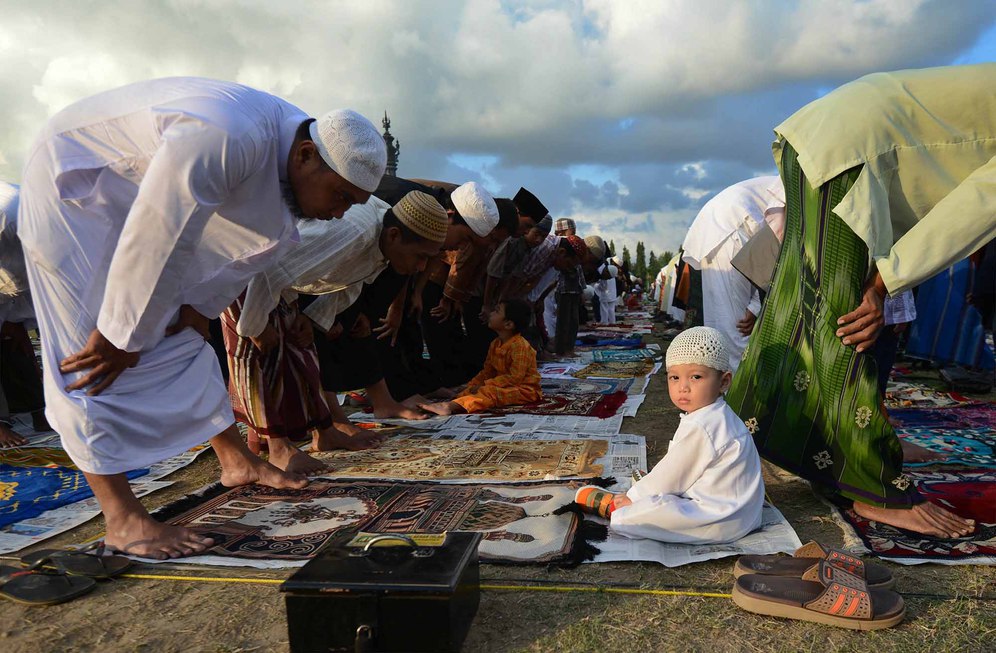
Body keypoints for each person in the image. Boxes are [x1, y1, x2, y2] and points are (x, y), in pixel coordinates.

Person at [18, 77, 387, 559]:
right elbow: (161, 228)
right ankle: (123, 519)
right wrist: (121, 335)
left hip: (141, 199)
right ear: (304, 158)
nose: (340, 215)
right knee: (86, 352)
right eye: (340, 197)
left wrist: (198, 308)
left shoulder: (296, 152)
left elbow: (255, 246)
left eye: (351, 206)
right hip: (74, 186)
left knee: (185, 335)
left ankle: (237, 461)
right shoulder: (227, 134)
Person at [728, 64, 996, 538]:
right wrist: (884, 283)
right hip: (852, 150)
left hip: (821, 135)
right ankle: (877, 491)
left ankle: (749, 443)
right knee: (845, 318)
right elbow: (971, 212)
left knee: (797, 316)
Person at [574, 327, 764, 543]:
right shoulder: (716, 414)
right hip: (744, 514)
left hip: (721, 520)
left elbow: (673, 475)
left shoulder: (704, 424)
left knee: (652, 513)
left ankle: (615, 510)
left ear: (724, 382)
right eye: (674, 377)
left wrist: (632, 498)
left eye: (696, 377)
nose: (683, 387)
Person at [681, 176, 786, 372]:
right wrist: (755, 306)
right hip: (731, 229)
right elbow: (776, 245)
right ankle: (739, 395)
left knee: (721, 327)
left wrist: (755, 305)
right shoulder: (797, 186)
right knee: (735, 331)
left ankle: (724, 390)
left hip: (720, 228)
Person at [419, 299, 541, 415]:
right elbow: (487, 371)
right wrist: (472, 385)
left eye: (496, 311)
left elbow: (515, 378)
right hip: (502, 385)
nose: (491, 313)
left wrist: (486, 385)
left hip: (524, 390)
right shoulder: (495, 343)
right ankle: (456, 401)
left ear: (508, 324)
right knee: (471, 390)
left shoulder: (520, 346)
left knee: (489, 392)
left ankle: (449, 407)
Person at [0, 182, 48, 448]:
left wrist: (13, 322)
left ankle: (41, 407)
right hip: (12, 279)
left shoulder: (15, 205)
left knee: (21, 339)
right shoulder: (9, 210)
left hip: (27, 278)